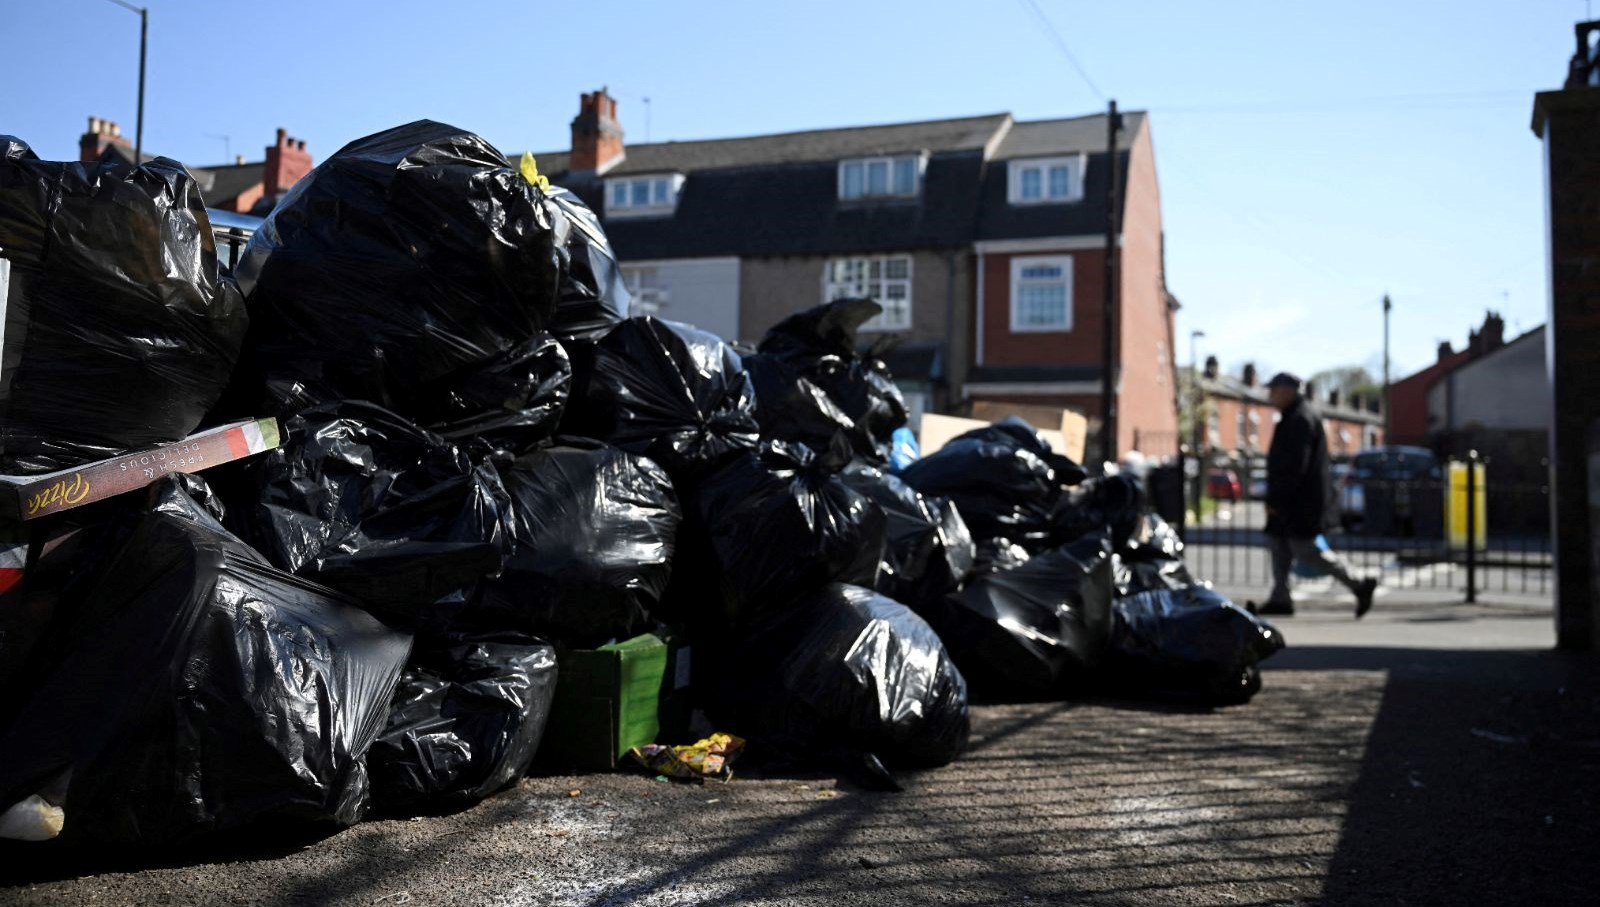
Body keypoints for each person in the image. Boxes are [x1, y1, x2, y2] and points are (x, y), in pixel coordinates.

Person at [1259, 372, 1378, 618]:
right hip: (1294, 499)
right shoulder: (1295, 416)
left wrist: (1277, 499)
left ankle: (1359, 583)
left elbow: (1295, 466)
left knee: (1306, 549)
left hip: (1299, 502)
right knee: (1278, 544)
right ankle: (1280, 597)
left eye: (1274, 390)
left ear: (1287, 391)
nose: (1270, 395)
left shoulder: (1300, 419)